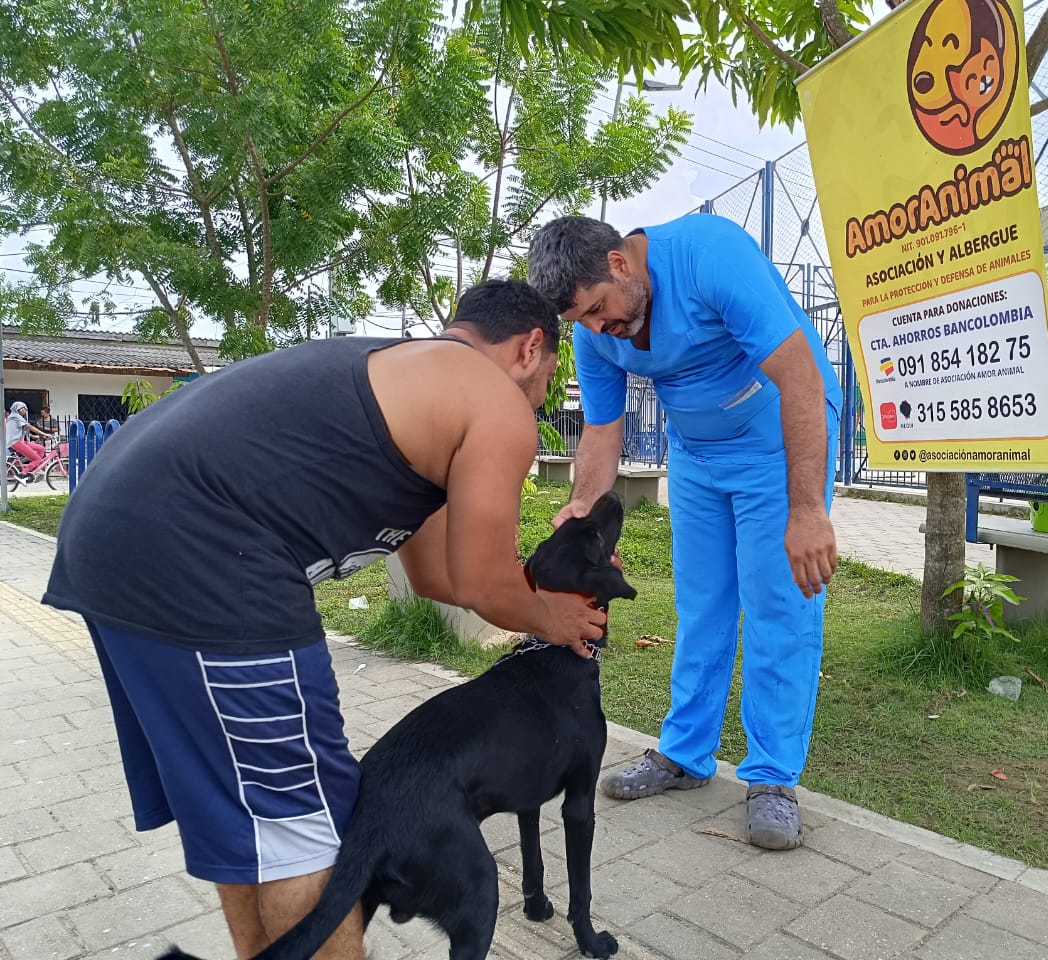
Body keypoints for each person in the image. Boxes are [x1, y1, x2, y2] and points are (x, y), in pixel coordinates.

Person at [43, 279, 606, 960]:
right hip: (207, 560)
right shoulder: (497, 403)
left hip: (113, 543)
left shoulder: (413, 380)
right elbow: (487, 584)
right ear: (531, 346)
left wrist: (538, 601)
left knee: (254, 819)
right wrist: (557, 619)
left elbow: (442, 576)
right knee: (305, 826)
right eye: (549, 377)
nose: (543, 395)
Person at [527, 214, 843, 850]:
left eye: (596, 310)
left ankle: (773, 778)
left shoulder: (711, 256)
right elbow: (602, 427)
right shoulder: (596, 330)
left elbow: (801, 377)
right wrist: (583, 505)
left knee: (778, 603)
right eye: (580, 323)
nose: (595, 330)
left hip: (776, 440)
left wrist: (806, 511)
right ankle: (685, 755)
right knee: (701, 604)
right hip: (698, 456)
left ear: (621, 264)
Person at [5, 401, 47, 481]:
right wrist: (45, 434)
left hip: (21, 441)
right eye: (22, 408)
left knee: (41, 449)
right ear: (17, 409)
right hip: (16, 442)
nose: (24, 410)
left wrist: (33, 436)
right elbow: (29, 427)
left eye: (25, 408)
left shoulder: (15, 417)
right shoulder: (15, 417)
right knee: (37, 459)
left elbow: (18, 432)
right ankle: (22, 474)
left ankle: (35, 468)